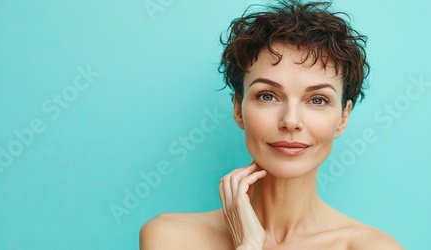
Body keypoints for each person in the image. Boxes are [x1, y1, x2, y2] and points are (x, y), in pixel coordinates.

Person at [140, 0, 404, 249]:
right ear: (238, 109)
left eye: (318, 100)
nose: (290, 121)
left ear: (343, 118)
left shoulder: (372, 247)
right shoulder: (172, 238)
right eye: (267, 96)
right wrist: (249, 244)